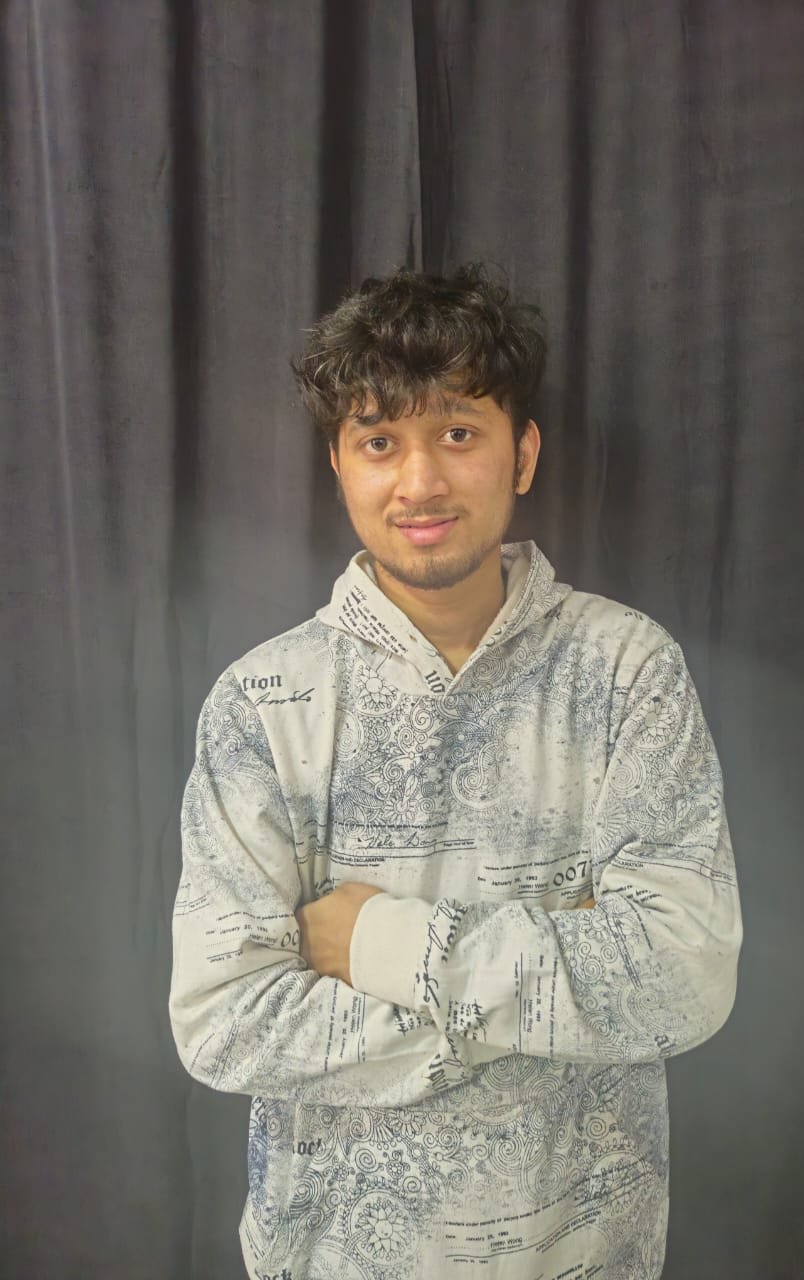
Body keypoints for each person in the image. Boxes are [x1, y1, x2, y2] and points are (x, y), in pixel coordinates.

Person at [169, 263, 743, 1280]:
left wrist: (376, 942)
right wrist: (551, 996)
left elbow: (684, 976)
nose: (421, 481)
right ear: (338, 465)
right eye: (379, 441)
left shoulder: (625, 669)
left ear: (523, 453)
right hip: (331, 1254)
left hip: (587, 1249)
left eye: (459, 432)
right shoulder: (265, 702)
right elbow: (225, 1020)